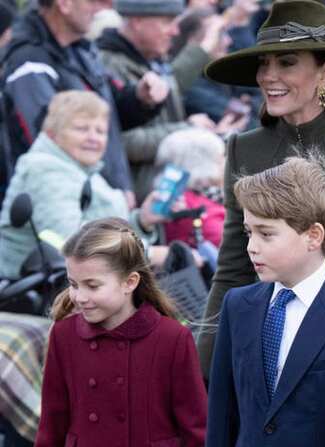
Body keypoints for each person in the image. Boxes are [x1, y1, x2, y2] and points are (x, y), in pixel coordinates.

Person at [197, 0, 325, 378]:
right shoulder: (245, 148)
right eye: (264, 63)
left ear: (324, 72)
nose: (268, 75)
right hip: (260, 355)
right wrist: (204, 371)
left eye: (287, 62)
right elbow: (231, 270)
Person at [206, 155, 325, 447]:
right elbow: (221, 416)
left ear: (313, 236)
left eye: (266, 234)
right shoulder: (238, 305)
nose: (251, 247)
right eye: (248, 232)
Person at [34, 217, 207, 447]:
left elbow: (197, 430)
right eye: (73, 284)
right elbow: (51, 426)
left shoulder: (172, 338)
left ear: (130, 282)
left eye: (92, 286)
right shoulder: (64, 335)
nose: (79, 297)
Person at [0, 0, 169, 206]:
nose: (103, 8)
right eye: (93, 1)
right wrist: (109, 195)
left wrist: (141, 98)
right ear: (64, 3)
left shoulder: (82, 51)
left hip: (99, 203)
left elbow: (111, 114)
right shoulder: (29, 62)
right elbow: (50, 143)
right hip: (62, 206)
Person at [0, 91, 174, 280]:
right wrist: (147, 253)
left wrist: (142, 220)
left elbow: (103, 229)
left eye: (100, 131)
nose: (93, 138)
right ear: (53, 133)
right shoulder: (44, 168)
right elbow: (70, 240)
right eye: (82, 129)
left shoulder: (84, 171)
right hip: (29, 292)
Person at [97, 0, 234, 203]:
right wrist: (186, 130)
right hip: (142, 198)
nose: (174, 31)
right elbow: (120, 141)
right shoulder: (109, 65)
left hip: (163, 189)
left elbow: (172, 86)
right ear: (136, 22)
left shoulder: (152, 58)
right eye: (167, 22)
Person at [156, 127, 226, 249]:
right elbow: (225, 239)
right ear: (203, 164)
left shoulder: (208, 194)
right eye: (221, 158)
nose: (226, 162)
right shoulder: (182, 204)